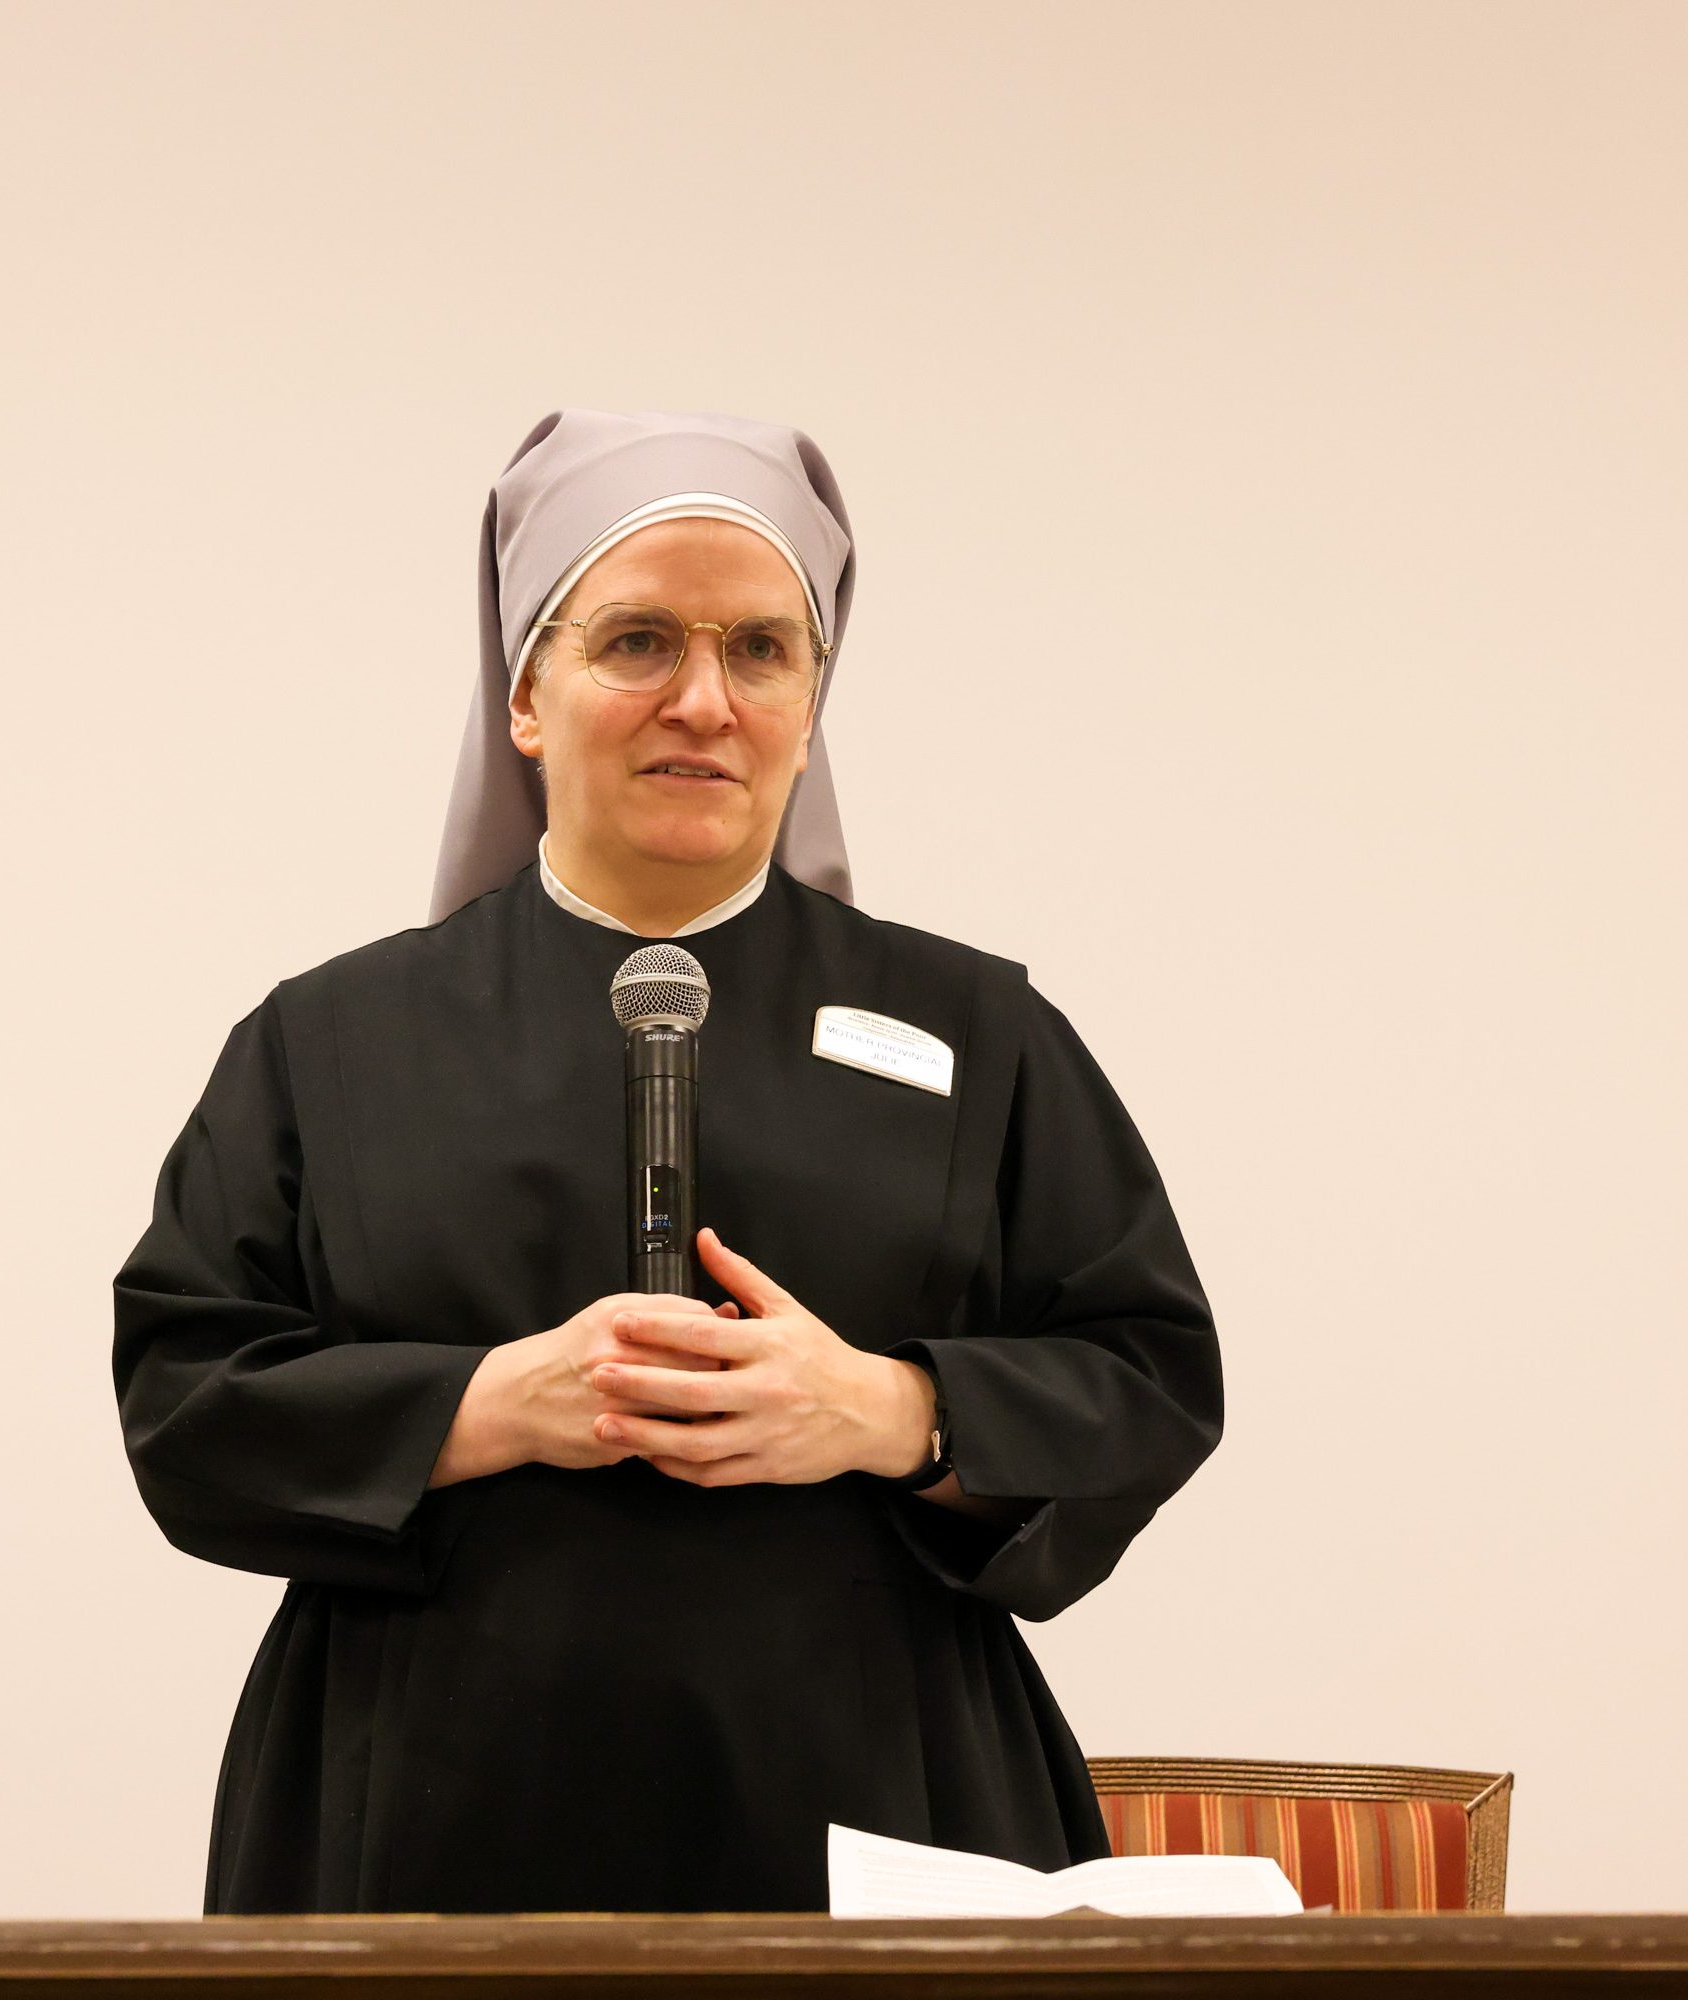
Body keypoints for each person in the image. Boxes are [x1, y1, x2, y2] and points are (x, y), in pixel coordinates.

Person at [110, 407, 1224, 1917]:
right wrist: (484, 1406)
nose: (704, 699)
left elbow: (1150, 1376)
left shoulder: (975, 1031)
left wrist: (892, 1408)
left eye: (762, 650)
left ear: (811, 703)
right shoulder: (334, 1042)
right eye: (637, 641)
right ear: (525, 693)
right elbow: (185, 1400)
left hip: (883, 1808)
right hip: (429, 1814)